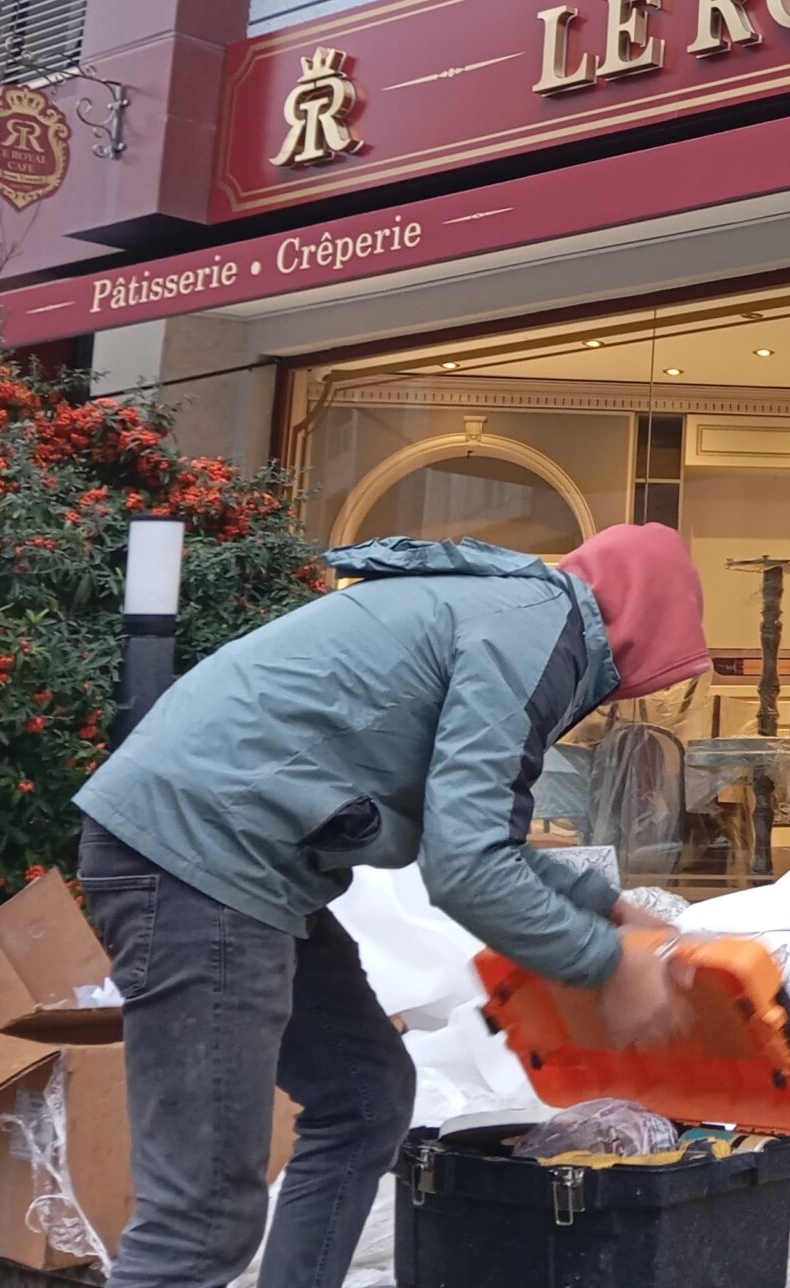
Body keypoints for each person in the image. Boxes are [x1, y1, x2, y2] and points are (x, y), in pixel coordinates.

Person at [74, 524, 711, 1288]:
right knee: (200, 1221)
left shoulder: (509, 612)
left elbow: (480, 835)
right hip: (201, 856)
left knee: (364, 1099)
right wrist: (606, 965)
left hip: (239, 857)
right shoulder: (535, 630)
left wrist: (607, 909)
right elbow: (466, 868)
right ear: (645, 624)